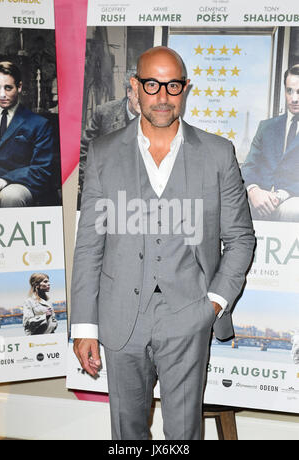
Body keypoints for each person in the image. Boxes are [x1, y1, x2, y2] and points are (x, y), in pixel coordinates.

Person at [71, 46, 255, 440]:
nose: (162, 97)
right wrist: (84, 325)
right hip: (121, 318)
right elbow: (89, 245)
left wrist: (214, 304)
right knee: (127, 433)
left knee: (184, 434)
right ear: (135, 87)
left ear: (185, 88)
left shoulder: (218, 154)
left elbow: (240, 239)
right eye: (152, 84)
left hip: (189, 316)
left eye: (172, 85)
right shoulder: (103, 154)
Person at [242, 64, 299, 221]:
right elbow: (248, 167)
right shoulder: (266, 127)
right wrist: (254, 191)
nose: (294, 98)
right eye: (289, 91)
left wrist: (281, 195)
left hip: (292, 202)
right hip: (259, 199)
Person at [0, 61, 54, 207]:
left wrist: (4, 180)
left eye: (8, 88)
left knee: (10, 196)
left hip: (20, 183)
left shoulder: (38, 123)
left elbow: (41, 169)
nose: (2, 94)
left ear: (19, 87)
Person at [79, 70, 141, 192]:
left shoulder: (157, 118)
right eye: (139, 94)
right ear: (129, 91)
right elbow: (85, 152)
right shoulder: (104, 113)